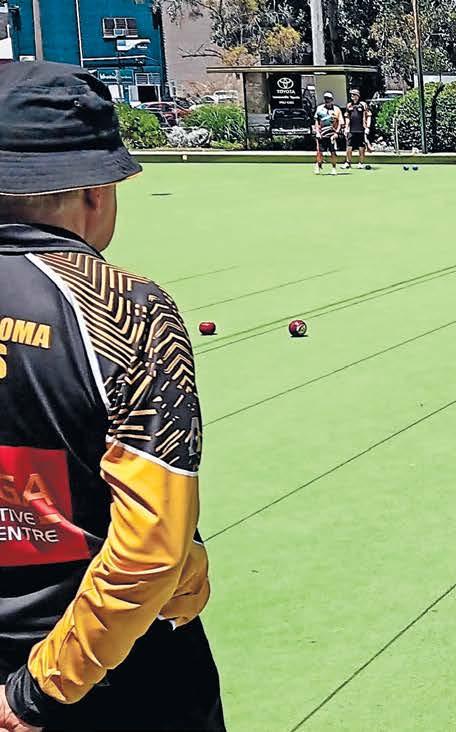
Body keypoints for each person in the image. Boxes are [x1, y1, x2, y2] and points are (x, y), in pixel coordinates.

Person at [0, 61, 222, 731]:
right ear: (96, 192)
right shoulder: (128, 309)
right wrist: (36, 693)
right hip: (109, 677)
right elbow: (151, 547)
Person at [313, 91, 342, 175]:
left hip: (332, 134)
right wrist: (317, 132)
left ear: (332, 100)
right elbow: (316, 121)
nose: (327, 100)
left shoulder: (336, 109)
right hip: (322, 134)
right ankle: (318, 165)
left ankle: (334, 168)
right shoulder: (319, 108)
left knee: (333, 152)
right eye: (326, 99)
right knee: (320, 152)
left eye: (329, 99)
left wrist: (336, 133)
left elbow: (340, 122)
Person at [342, 88, 372, 169]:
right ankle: (348, 162)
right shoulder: (349, 105)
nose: (353, 96)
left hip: (361, 129)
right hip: (351, 130)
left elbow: (368, 115)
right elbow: (347, 117)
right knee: (349, 146)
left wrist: (367, 127)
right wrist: (346, 128)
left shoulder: (363, 104)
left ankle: (361, 163)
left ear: (358, 96)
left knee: (361, 147)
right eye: (352, 94)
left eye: (354, 94)